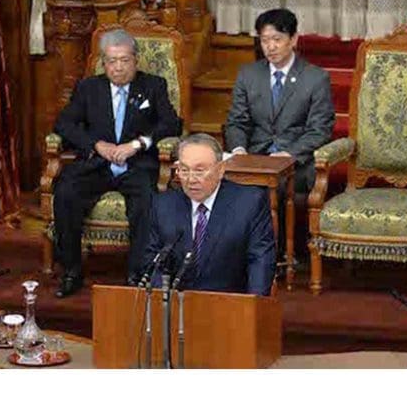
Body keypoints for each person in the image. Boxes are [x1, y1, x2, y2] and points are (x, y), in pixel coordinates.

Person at [52, 28, 182, 298]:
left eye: (124, 60)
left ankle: (138, 273)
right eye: (112, 61)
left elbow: (171, 123)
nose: (119, 68)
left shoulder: (153, 86)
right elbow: (64, 123)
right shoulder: (89, 88)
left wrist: (137, 145)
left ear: (135, 60)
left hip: (137, 166)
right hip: (96, 164)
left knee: (146, 201)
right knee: (65, 192)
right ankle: (71, 271)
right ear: (104, 63)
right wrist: (97, 145)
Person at [144, 133, 276, 296]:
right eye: (184, 170)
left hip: (230, 308)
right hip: (177, 309)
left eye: (199, 171)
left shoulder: (249, 203)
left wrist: (252, 309)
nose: (191, 179)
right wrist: (162, 302)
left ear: (220, 170)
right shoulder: (164, 205)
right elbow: (152, 260)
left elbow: (260, 262)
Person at [224, 8, 335, 194]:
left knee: (271, 187)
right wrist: (238, 149)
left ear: (293, 39)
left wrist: (288, 154)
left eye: (277, 39)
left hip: (295, 163)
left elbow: (319, 130)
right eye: (265, 40)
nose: (270, 47)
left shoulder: (315, 78)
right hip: (255, 159)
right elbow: (236, 122)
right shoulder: (248, 75)